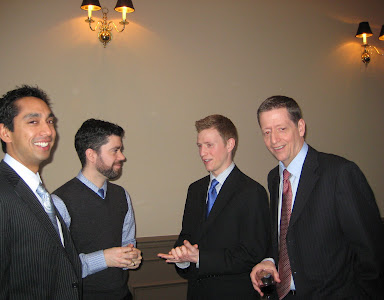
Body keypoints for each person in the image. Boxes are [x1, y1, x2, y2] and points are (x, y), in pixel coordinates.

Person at [250, 95, 384, 299]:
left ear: (301, 127)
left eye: (282, 129)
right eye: (266, 132)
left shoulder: (340, 173)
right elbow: (286, 237)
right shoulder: (274, 178)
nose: (273, 139)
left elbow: (371, 253)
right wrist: (269, 260)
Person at [0, 85, 82, 299]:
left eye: (49, 121)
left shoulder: (40, 194)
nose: (48, 131)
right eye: (33, 121)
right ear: (5, 132)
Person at [158, 114, 271, 299]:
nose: (202, 153)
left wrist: (200, 258)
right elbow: (186, 236)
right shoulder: (195, 189)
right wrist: (182, 258)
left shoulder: (252, 192)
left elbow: (251, 254)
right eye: (199, 146)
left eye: (209, 145)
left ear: (230, 144)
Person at [53, 118, 142, 300]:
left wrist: (131, 257)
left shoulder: (121, 195)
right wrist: (104, 258)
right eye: (115, 151)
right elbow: (55, 265)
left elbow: (128, 241)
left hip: (123, 295)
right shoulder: (60, 201)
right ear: (92, 155)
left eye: (121, 150)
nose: (122, 157)